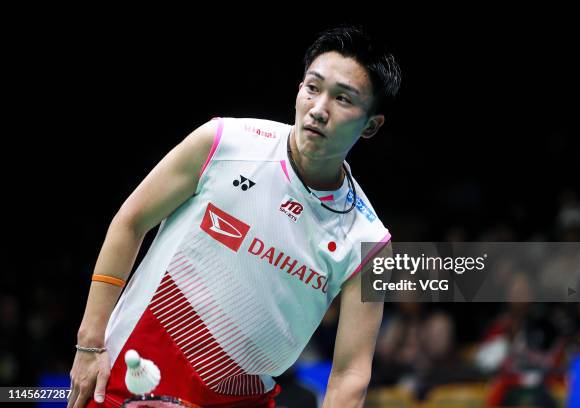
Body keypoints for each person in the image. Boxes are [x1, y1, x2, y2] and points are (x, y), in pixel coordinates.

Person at [68, 25, 401, 408]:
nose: (319, 109)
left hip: (239, 400)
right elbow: (131, 221)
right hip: (127, 380)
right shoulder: (224, 142)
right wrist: (90, 343)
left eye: (342, 98)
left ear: (371, 125)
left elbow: (351, 374)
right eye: (312, 87)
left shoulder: (370, 242)